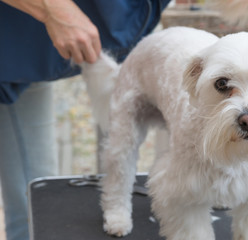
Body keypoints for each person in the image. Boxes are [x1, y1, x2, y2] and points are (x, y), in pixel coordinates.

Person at [0, 0, 170, 239]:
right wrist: (55, 8)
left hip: (23, 41)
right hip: (26, 23)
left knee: (32, 197)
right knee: (33, 205)